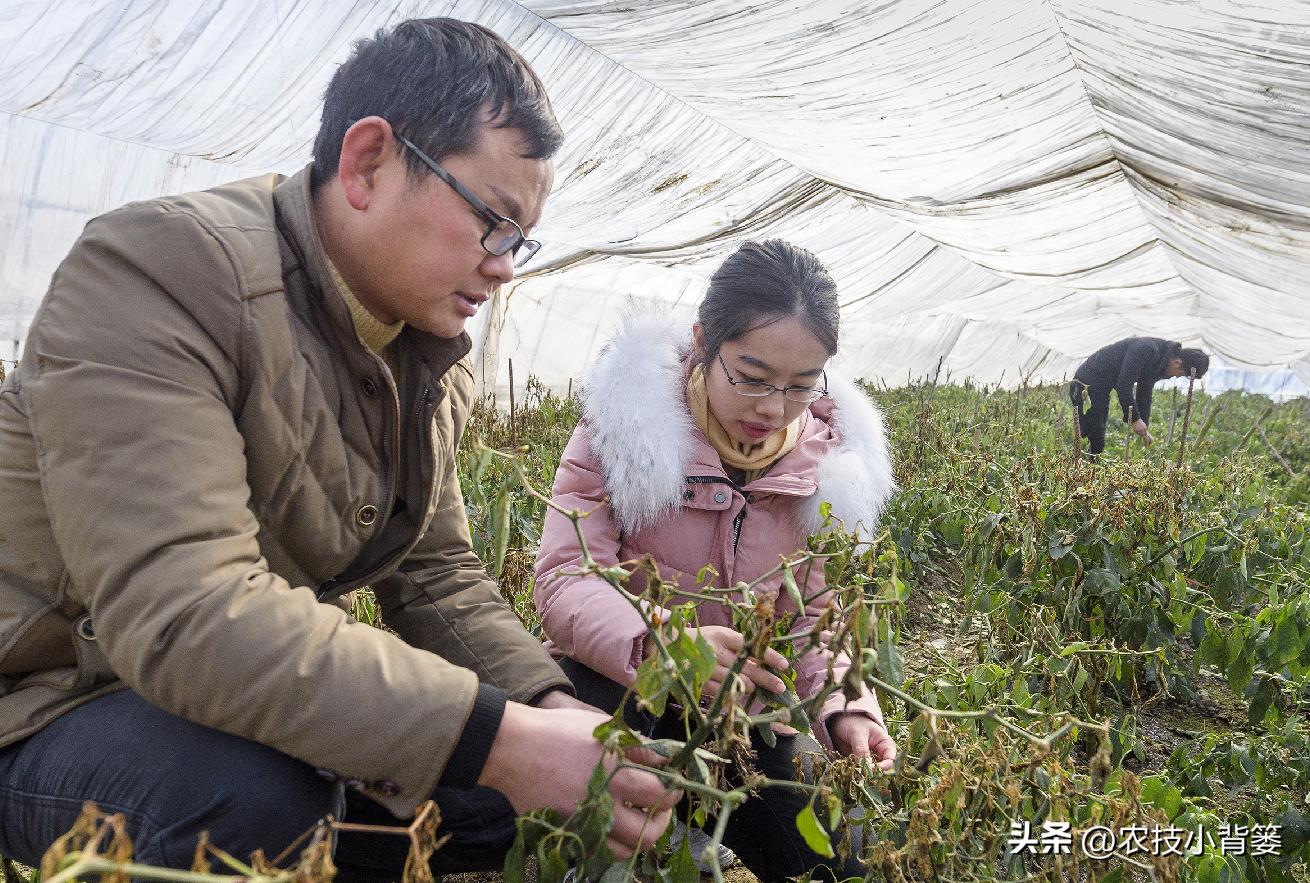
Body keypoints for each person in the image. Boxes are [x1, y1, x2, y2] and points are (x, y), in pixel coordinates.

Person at [0, 18, 679, 874]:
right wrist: (501, 741)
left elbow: (433, 571)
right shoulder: (163, 269)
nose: (505, 266)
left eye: (520, 239)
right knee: (263, 809)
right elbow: (182, 612)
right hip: (47, 702)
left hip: (209, 696)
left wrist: (545, 705)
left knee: (551, 746)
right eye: (491, 222)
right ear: (367, 163)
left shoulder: (422, 354)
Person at [534, 240, 899, 882]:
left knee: (836, 863)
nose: (772, 407)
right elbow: (566, 579)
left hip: (742, 713)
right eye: (751, 377)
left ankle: (698, 829)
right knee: (612, 852)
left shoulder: (826, 468)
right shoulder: (624, 432)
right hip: (619, 687)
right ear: (705, 342)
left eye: (799, 386)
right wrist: (663, 646)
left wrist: (847, 705)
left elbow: (814, 616)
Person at [1069, 336, 1210, 456]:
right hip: (1085, 382)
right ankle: (1079, 471)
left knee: (1097, 436)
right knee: (1091, 431)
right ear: (1177, 363)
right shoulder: (1146, 350)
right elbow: (1124, 385)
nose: (1177, 377)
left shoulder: (1161, 362)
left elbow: (1145, 391)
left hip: (1103, 386)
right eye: (1181, 374)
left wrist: (1144, 427)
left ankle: (1090, 472)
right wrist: (1135, 419)